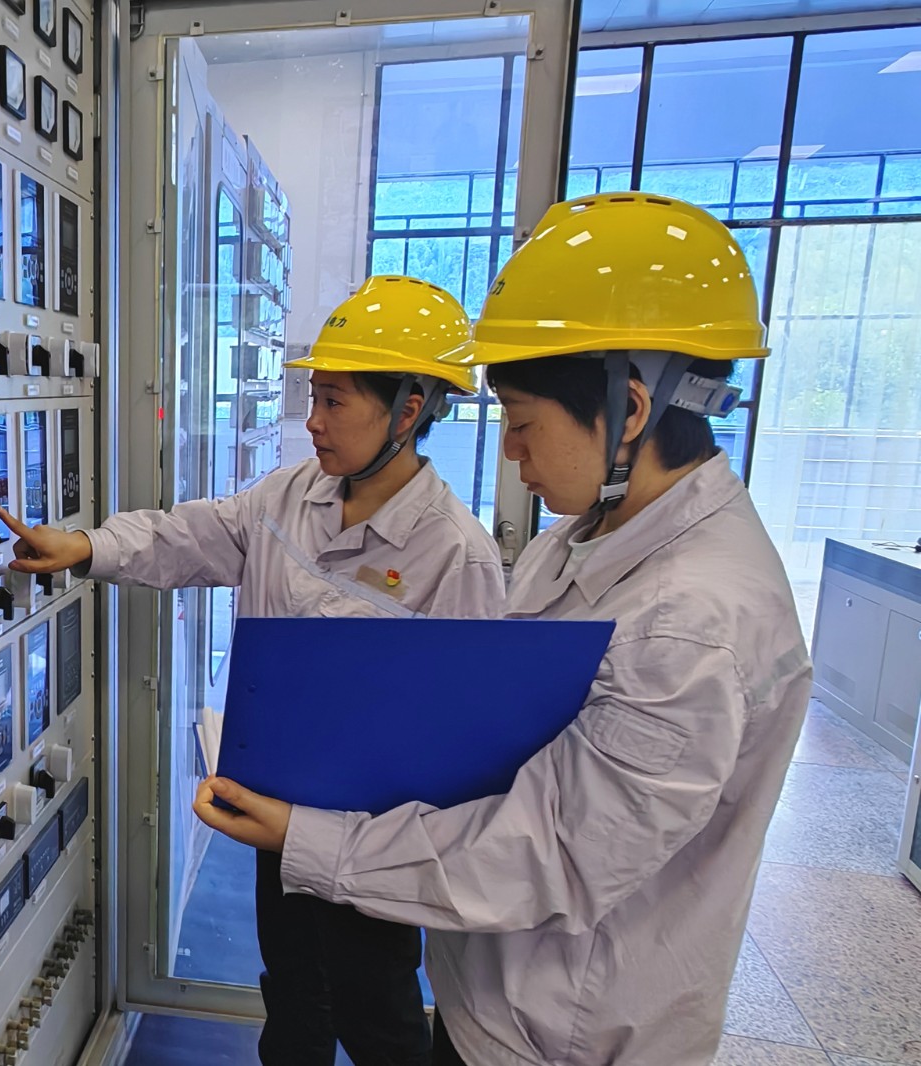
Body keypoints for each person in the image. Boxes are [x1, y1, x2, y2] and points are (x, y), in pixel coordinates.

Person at [193, 193, 813, 1066]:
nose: (513, 454)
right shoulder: (584, 538)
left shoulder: (688, 625)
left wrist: (309, 837)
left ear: (630, 410)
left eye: (523, 424)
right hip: (499, 998)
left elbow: (545, 853)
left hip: (562, 1038)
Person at [0, 276, 507, 1065]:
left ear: (409, 411)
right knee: (293, 995)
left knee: (378, 1015)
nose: (314, 420)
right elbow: (188, 537)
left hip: (374, 836)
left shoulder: (455, 554)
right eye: (314, 396)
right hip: (278, 809)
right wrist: (89, 546)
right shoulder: (292, 495)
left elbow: (466, 736)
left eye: (334, 401)